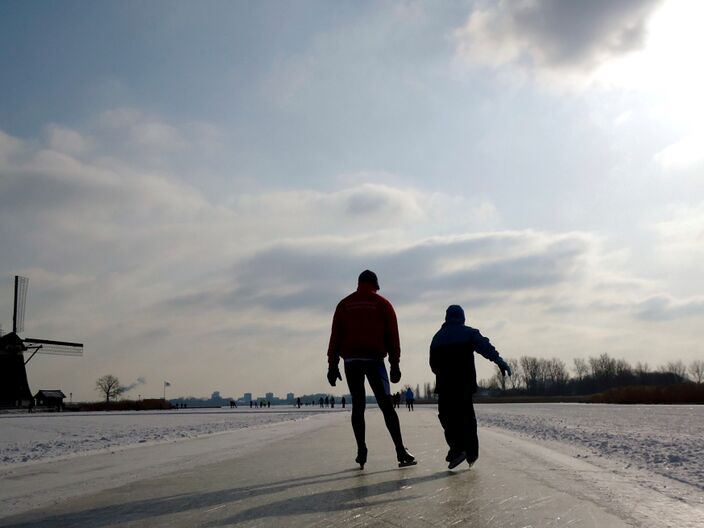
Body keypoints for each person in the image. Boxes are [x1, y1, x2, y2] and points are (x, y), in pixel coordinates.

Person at [327, 269, 416, 469]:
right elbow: (393, 336)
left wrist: (332, 365)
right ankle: (400, 451)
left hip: (351, 362)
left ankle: (361, 450)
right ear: (375, 285)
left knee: (358, 406)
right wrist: (395, 364)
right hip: (375, 361)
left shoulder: (344, 304)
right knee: (386, 406)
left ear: (359, 283)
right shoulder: (382, 304)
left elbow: (335, 336)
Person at [429, 305, 511, 469]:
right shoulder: (469, 333)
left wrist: (444, 373)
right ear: (462, 317)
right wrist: (499, 361)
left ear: (446, 318)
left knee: (447, 417)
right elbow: (485, 347)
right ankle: (471, 453)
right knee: (467, 417)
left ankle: (457, 449)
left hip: (445, 385)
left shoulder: (437, 337)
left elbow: (433, 365)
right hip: (464, 383)